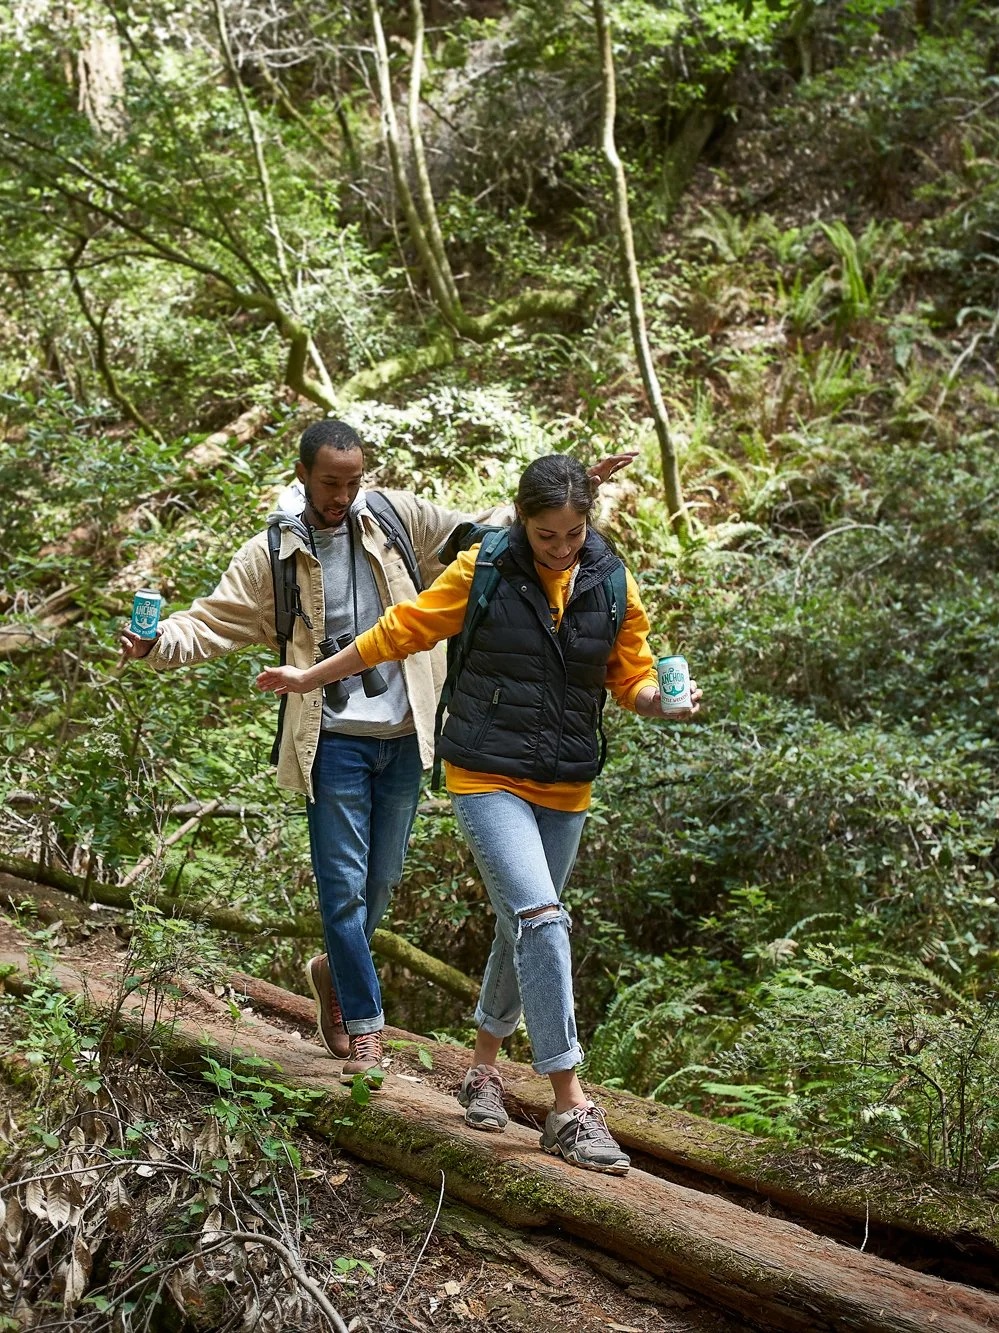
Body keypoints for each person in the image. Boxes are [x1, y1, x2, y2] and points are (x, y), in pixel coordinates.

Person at [122, 421, 633, 1085]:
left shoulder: (392, 518)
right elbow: (207, 621)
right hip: (329, 736)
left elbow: (491, 532)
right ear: (303, 473)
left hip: (403, 732)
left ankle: (335, 969)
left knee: (379, 883)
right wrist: (157, 642)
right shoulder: (270, 557)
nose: (343, 494)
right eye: (331, 482)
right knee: (341, 890)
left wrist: (573, 492)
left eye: (353, 480)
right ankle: (366, 1031)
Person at [256, 453, 699, 1173]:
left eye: (573, 534)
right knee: (542, 917)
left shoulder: (612, 580)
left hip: (566, 784)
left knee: (522, 920)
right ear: (521, 520)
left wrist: (657, 700)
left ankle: (483, 1069)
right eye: (546, 534)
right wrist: (310, 675)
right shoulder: (483, 569)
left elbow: (632, 673)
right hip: (484, 773)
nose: (560, 549)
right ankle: (570, 1104)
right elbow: (400, 630)